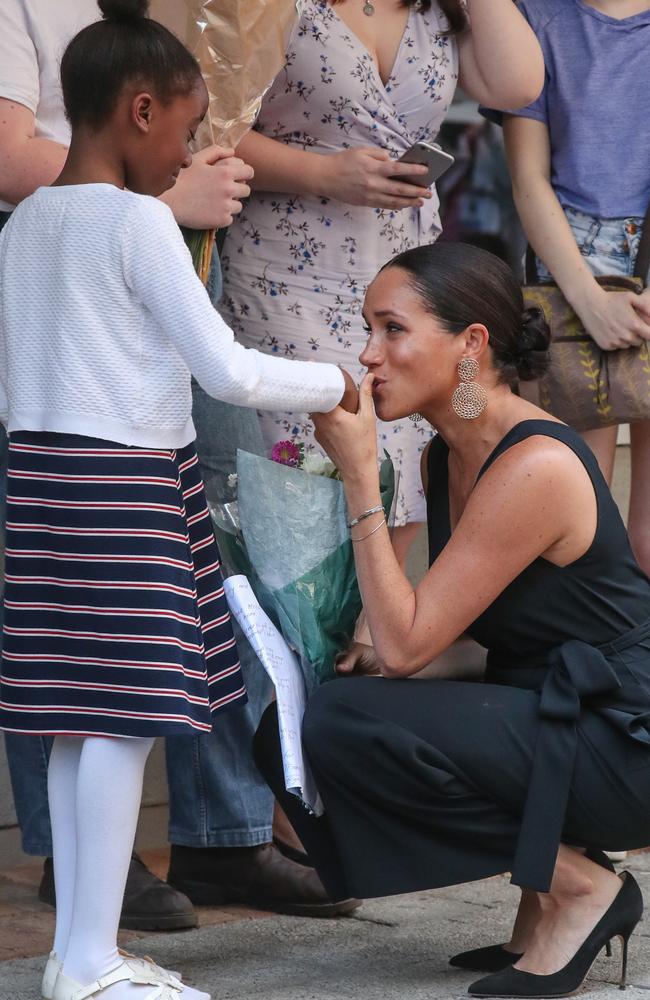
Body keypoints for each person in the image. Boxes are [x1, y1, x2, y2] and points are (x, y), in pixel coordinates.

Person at [0, 2, 359, 998]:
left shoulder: (26, 221)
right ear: (139, 109)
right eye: (189, 126)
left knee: (76, 720)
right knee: (118, 719)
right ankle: (89, 960)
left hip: (42, 476)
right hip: (124, 483)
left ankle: (80, 953)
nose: (193, 149)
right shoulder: (138, 221)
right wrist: (335, 384)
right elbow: (227, 371)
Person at [254, 241, 650, 999]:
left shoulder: (533, 464)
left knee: (346, 726)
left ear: (470, 344)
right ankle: (545, 894)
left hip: (624, 741)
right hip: (554, 719)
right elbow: (473, 641)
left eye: (392, 329)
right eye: (367, 329)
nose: (369, 355)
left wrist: (360, 477)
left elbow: (404, 644)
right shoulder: (448, 455)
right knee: (294, 723)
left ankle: (577, 887)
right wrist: (376, 658)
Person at [220, 0, 545, 568]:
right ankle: (299, 640)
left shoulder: (436, 7)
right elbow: (208, 125)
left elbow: (517, 83)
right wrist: (321, 173)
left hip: (403, 270)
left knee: (403, 439)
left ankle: (371, 631)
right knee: (304, 453)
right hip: (287, 268)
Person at [498, 0, 650, 574]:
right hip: (568, 276)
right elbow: (527, 179)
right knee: (582, 524)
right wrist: (590, 303)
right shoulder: (537, 18)